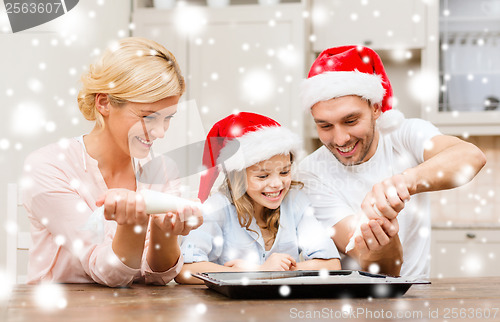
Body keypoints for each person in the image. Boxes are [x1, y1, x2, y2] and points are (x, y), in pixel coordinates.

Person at [22, 37, 203, 287]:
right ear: (104, 102)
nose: (160, 132)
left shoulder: (161, 169)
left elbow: (157, 276)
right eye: (148, 116)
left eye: (167, 118)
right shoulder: (48, 167)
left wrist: (166, 232)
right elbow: (108, 273)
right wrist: (133, 225)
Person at [297, 45, 486, 277]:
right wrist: (382, 237)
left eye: (351, 120)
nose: (340, 138)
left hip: (417, 296)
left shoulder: (404, 134)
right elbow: (375, 265)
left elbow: (471, 156)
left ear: (376, 108)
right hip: (350, 302)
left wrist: (405, 182)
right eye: (325, 125)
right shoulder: (310, 173)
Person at [175, 112, 341, 284]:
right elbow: (186, 270)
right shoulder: (217, 207)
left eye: (284, 172)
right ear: (237, 176)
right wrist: (259, 271)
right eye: (262, 176)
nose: (277, 184)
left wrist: (271, 273)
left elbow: (331, 264)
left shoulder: (295, 201)